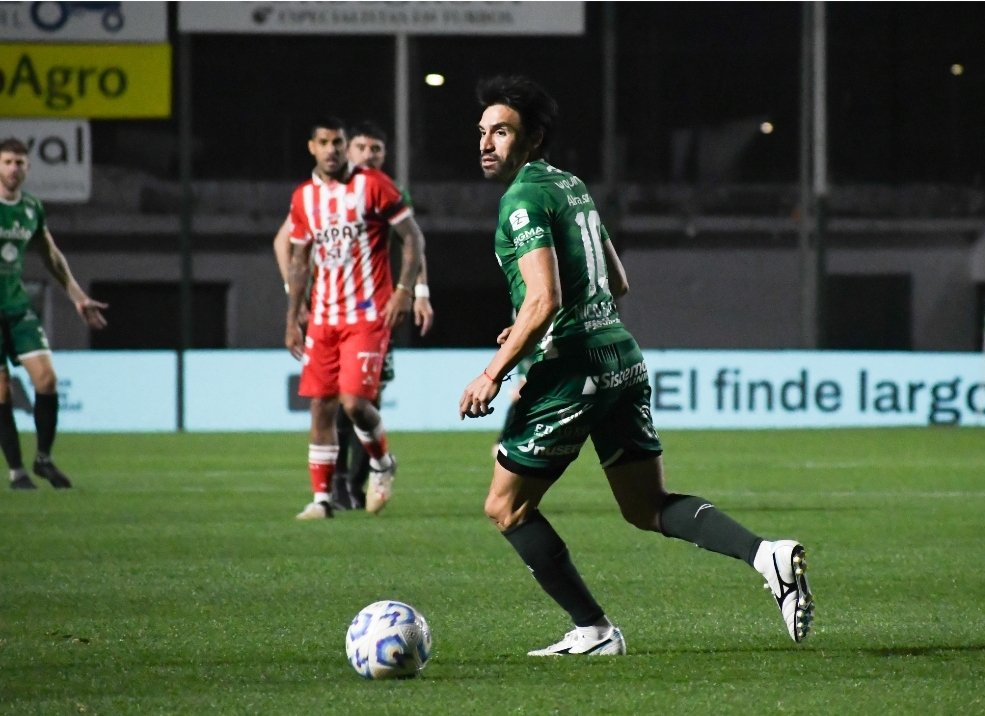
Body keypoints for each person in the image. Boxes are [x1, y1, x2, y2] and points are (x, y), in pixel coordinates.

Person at [457, 76, 815, 655]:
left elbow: (545, 299)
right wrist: (532, 318)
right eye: (482, 132)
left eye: (500, 132)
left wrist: (492, 372)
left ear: (534, 138)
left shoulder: (521, 199)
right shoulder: (570, 186)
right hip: (620, 355)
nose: (485, 143)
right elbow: (615, 282)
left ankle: (594, 631)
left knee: (506, 507)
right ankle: (764, 555)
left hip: (573, 368)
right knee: (646, 507)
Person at [273, 121, 435, 512]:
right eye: (324, 142)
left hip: (366, 313)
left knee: (354, 402)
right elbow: (298, 260)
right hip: (323, 317)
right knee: (321, 405)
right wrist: (292, 317)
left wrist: (407, 291)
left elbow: (413, 237)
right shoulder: (304, 197)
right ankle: (322, 500)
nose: (331, 149)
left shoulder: (374, 185)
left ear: (346, 147)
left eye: (337, 142)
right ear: (312, 146)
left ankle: (381, 462)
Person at [0, 138, 108, 490]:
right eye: (7, 162)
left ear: (28, 168)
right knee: (1, 391)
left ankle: (43, 459)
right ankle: (17, 472)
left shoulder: (31, 208)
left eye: (19, 162)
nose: (13, 168)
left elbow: (50, 255)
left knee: (46, 379)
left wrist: (78, 297)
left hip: (17, 307)